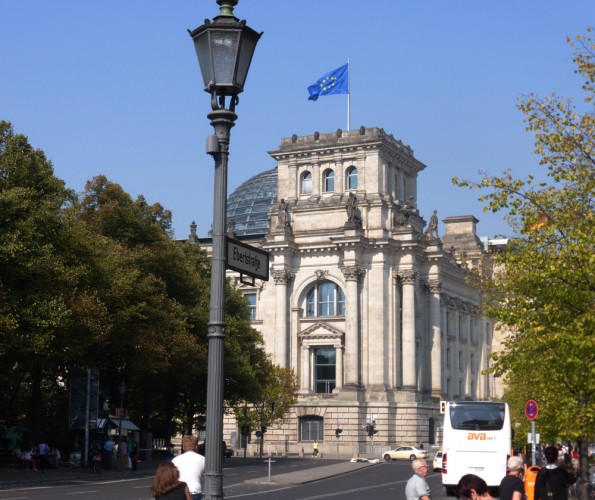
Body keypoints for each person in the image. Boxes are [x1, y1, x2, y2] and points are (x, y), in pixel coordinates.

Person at [171, 435, 205, 500]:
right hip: (194, 491)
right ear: (196, 447)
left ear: (184, 448)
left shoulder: (175, 460)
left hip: (179, 492)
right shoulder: (203, 459)